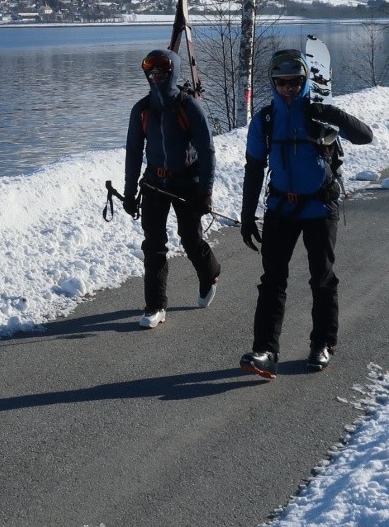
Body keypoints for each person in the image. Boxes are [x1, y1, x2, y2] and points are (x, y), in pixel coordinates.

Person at [239, 48, 373, 377]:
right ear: (272, 82)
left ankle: (322, 345)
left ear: (305, 80)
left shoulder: (319, 114)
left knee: (322, 279)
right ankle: (265, 350)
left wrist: (331, 113)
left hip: (318, 206)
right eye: (281, 82)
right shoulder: (265, 119)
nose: (289, 88)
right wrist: (247, 215)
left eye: (296, 81)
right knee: (272, 281)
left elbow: (365, 136)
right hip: (280, 208)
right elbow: (254, 168)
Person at [121, 48, 221, 328]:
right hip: (154, 183)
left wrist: (206, 192)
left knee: (190, 239)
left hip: (187, 183)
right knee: (153, 245)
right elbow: (132, 152)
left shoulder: (189, 107)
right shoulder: (142, 109)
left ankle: (210, 272)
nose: (155, 77)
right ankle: (155, 306)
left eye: (161, 72)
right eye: (150, 72)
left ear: (172, 72)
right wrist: (129, 193)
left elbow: (208, 152)